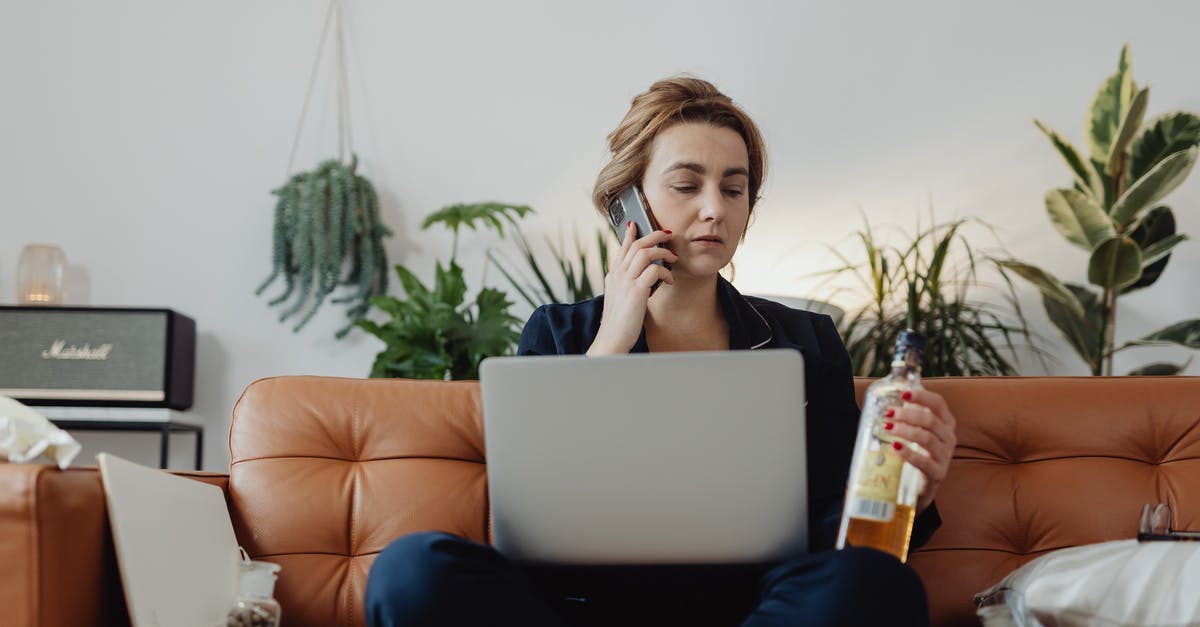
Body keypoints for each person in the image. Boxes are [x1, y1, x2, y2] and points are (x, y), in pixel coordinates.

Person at [365, 76, 958, 627]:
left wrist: (911, 490)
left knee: (875, 581)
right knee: (411, 570)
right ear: (628, 202)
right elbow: (537, 515)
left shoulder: (806, 341)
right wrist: (612, 342)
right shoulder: (558, 335)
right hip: (581, 606)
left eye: (734, 188)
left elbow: (836, 530)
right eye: (685, 185)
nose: (714, 209)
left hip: (755, 609)